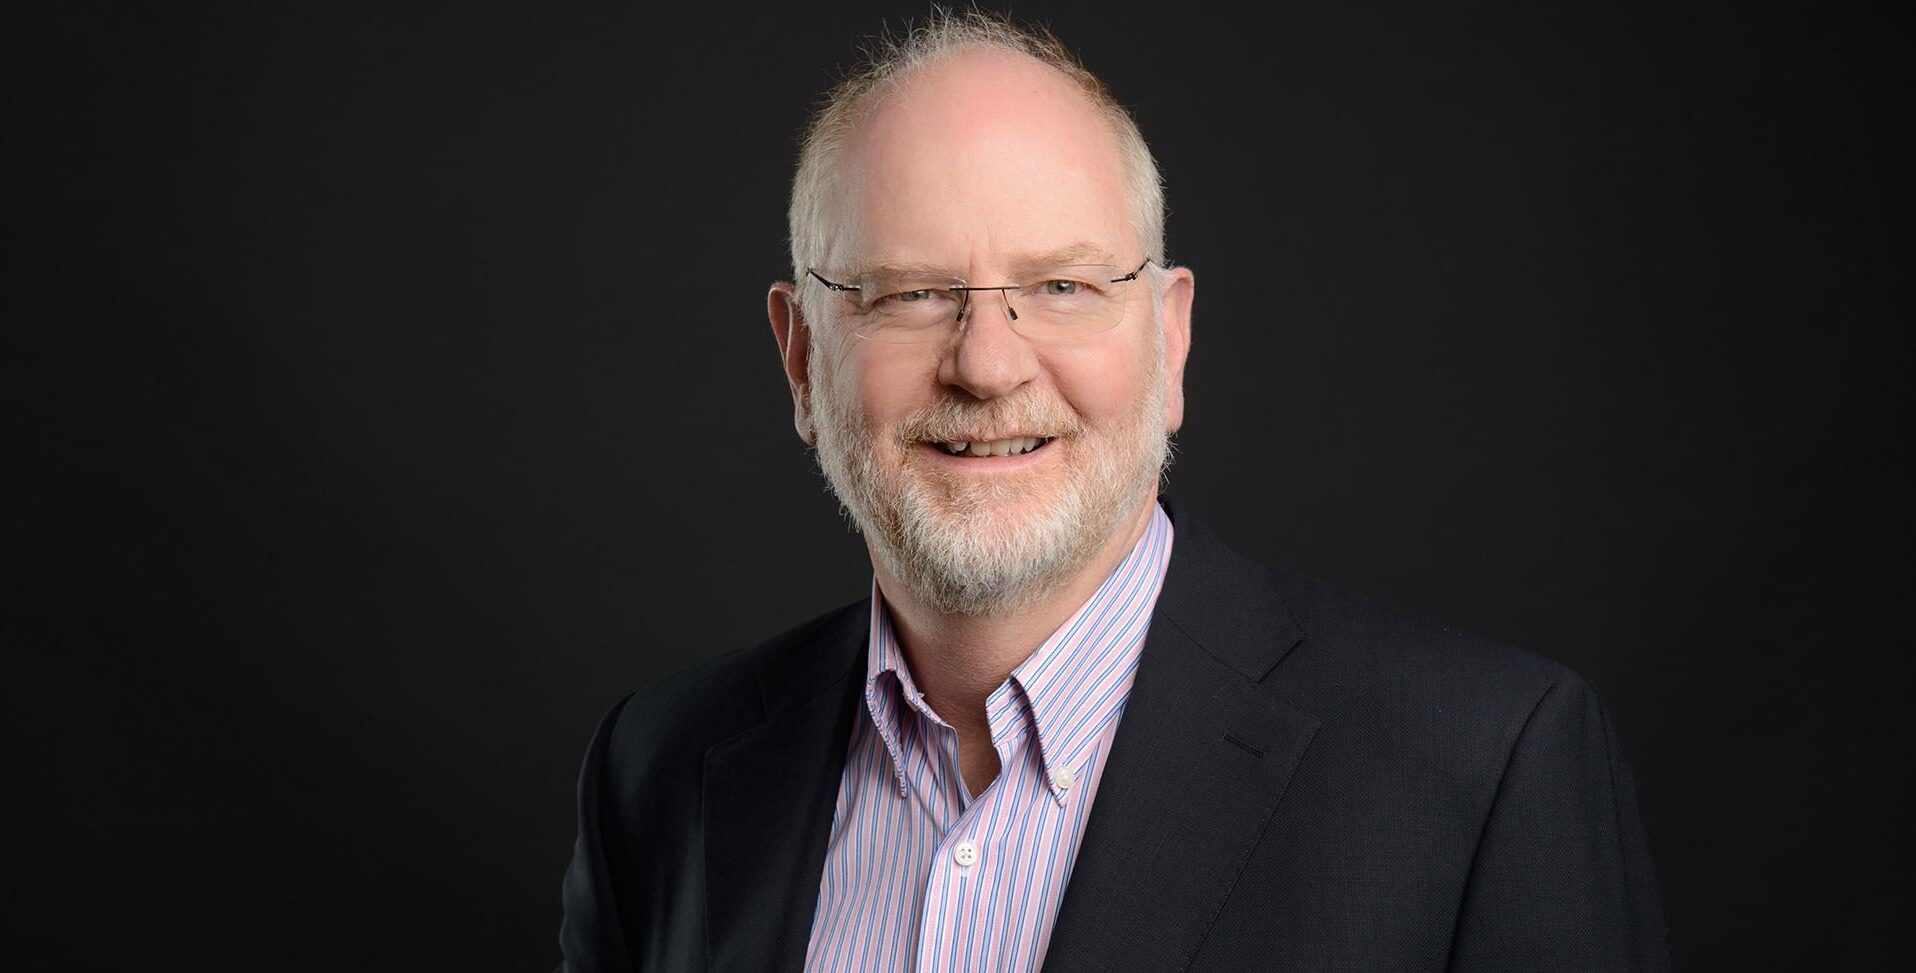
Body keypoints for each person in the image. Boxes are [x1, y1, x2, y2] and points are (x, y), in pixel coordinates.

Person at [557, 12, 1667, 972]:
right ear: (801, 360)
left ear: (1170, 337)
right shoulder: (660, 773)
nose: (987, 365)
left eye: (1061, 285)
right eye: (907, 294)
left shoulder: (1476, 776)